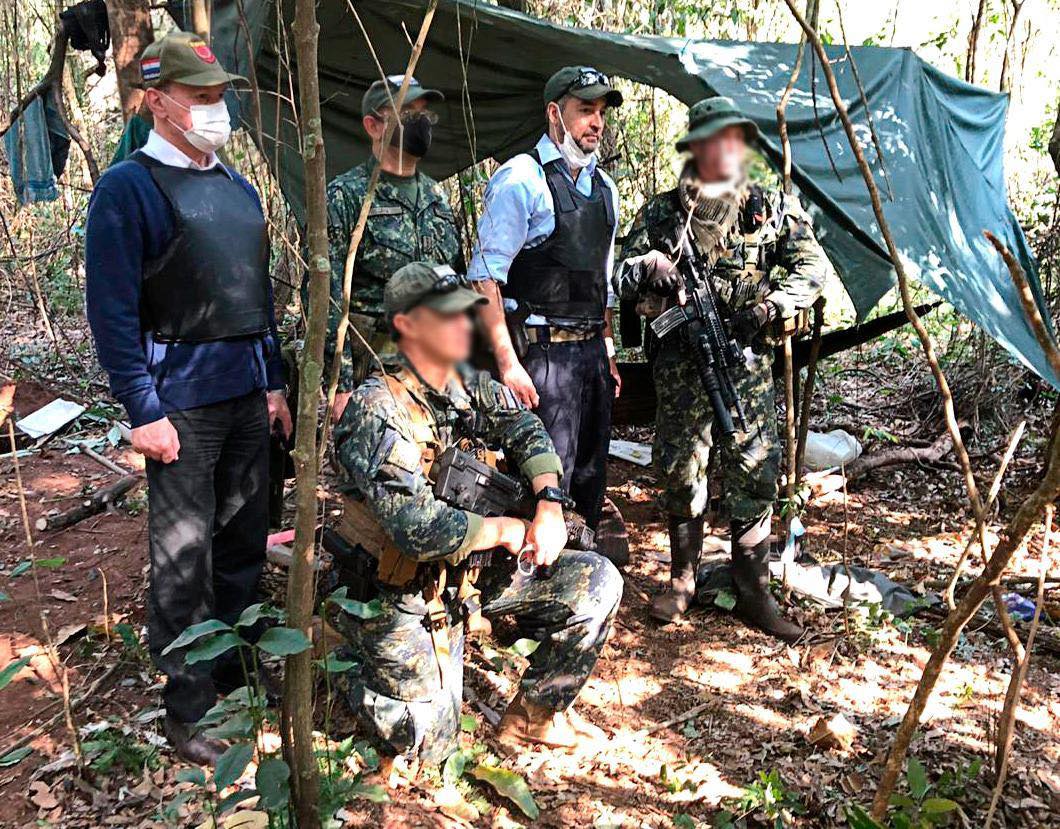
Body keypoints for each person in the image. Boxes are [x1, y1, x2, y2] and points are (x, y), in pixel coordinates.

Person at [84, 31, 292, 764]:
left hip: (243, 394)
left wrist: (271, 381)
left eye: (220, 95)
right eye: (202, 97)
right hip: (180, 402)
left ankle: (235, 672)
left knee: (243, 539)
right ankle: (187, 705)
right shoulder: (128, 188)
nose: (216, 109)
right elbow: (110, 309)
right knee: (183, 556)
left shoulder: (233, 185)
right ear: (157, 102)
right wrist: (142, 409)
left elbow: (256, 293)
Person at [332, 261, 622, 764]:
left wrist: (549, 501)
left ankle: (533, 718)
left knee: (596, 582)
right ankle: (344, 655)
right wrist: (506, 529)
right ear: (406, 326)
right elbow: (418, 528)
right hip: (398, 589)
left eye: (467, 314)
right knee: (426, 744)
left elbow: (525, 427)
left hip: (464, 574)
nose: (464, 326)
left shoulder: (465, 383)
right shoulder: (377, 408)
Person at [615, 97, 834, 640]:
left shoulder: (770, 206)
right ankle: (682, 580)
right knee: (679, 468)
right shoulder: (663, 212)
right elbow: (618, 276)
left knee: (754, 466)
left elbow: (812, 267)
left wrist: (767, 307)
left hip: (746, 361)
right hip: (680, 367)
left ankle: (753, 590)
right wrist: (649, 266)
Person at [467, 66, 623, 533]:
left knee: (591, 479)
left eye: (601, 113)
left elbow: (602, 282)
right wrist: (509, 363)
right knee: (544, 483)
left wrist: (609, 351)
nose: (596, 122)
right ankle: (532, 590)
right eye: (585, 111)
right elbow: (484, 277)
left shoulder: (606, 190)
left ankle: (583, 580)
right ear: (555, 113)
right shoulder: (522, 180)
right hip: (543, 359)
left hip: (592, 356)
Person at [325, 75, 463, 422]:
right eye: (406, 113)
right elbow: (325, 297)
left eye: (424, 114)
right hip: (370, 374)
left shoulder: (437, 197)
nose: (420, 123)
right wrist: (339, 387)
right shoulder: (348, 196)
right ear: (373, 125)